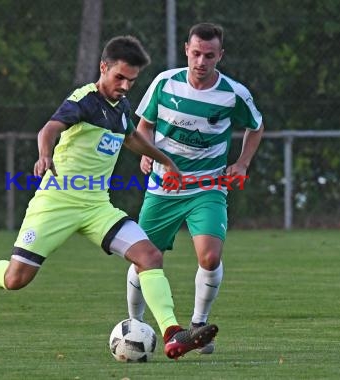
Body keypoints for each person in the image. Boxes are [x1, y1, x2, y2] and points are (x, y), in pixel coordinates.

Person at [0, 35, 218, 360]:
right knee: (16, 279)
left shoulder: (121, 107)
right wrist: (44, 155)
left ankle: (172, 333)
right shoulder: (84, 99)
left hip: (97, 207)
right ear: (103, 68)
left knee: (150, 256)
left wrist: (165, 160)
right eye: (119, 77)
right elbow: (49, 129)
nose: (125, 86)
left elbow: (132, 138)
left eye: (132, 80)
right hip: (56, 204)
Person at [126, 23, 264, 354]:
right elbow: (144, 125)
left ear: (220, 56)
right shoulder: (164, 82)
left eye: (210, 55)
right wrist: (146, 155)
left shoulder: (234, 93)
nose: (202, 61)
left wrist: (242, 163)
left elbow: (256, 128)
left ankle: (198, 324)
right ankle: (135, 325)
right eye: (197, 53)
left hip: (208, 187)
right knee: (144, 259)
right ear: (186, 49)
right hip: (163, 188)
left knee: (210, 255)